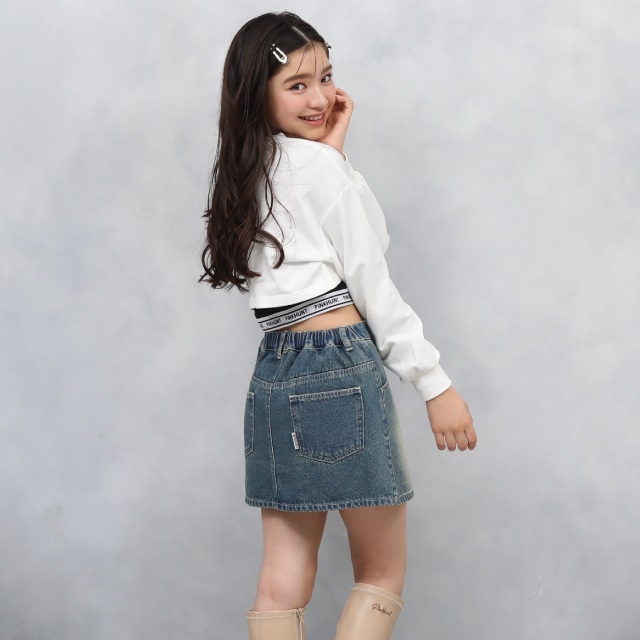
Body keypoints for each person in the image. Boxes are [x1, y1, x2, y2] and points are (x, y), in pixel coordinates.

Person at [200, 11, 477, 640]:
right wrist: (434, 384)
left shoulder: (244, 174)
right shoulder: (320, 171)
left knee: (281, 578)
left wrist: (332, 155)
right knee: (380, 571)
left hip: (275, 374)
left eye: (326, 77)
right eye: (297, 85)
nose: (321, 98)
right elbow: (371, 274)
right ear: (257, 94)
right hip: (340, 370)